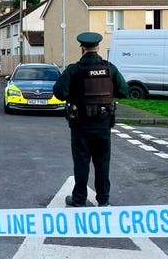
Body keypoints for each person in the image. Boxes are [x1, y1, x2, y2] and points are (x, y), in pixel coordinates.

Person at [52, 32, 129, 207]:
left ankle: (79, 198)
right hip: (103, 124)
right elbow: (124, 91)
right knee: (102, 162)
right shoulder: (110, 69)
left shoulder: (74, 70)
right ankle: (103, 199)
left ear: (82, 49)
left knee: (81, 161)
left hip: (81, 124)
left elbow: (58, 92)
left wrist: (73, 93)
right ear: (98, 48)